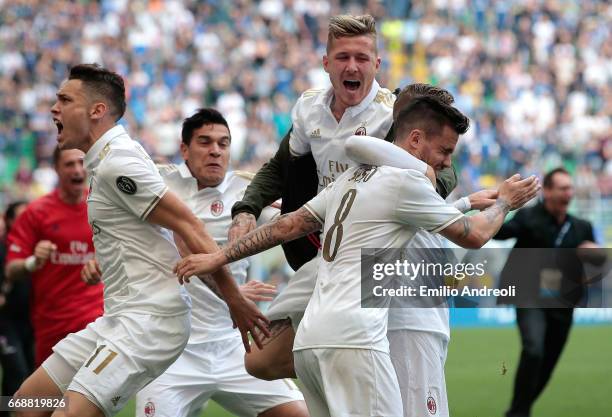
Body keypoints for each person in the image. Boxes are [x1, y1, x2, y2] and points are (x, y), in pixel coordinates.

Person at [175, 96, 540, 417]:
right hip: (355, 339)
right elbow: (475, 235)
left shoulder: (351, 178)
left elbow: (287, 226)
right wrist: (506, 201)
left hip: (310, 344)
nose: (446, 163)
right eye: (445, 151)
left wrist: (218, 257)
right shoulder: (405, 182)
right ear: (415, 139)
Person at [14, 63, 268, 417]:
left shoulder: (119, 161)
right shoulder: (105, 160)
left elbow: (189, 225)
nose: (54, 108)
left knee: (67, 414)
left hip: (149, 324)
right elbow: (169, 237)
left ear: (96, 111)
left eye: (64, 99)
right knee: (26, 403)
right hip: (118, 318)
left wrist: (234, 299)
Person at [230, 14, 455, 381]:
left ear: (377, 64)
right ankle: (338, 370)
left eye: (362, 58)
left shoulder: (394, 111)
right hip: (330, 253)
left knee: (384, 368)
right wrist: (246, 208)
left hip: (380, 253)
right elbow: (280, 166)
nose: (353, 66)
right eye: (343, 57)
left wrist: (427, 183)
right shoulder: (309, 109)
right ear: (326, 63)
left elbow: (446, 168)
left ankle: (349, 373)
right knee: (260, 359)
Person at [131, 108, 307, 417]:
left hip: (233, 343)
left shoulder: (248, 190)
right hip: (172, 350)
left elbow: (301, 217)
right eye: (205, 142)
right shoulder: (159, 183)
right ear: (184, 148)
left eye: (223, 143)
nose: (215, 151)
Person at [494, 167, 600, 417]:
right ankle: (519, 414)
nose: (569, 193)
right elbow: (499, 232)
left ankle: (518, 412)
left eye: (571, 188)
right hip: (528, 296)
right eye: (563, 188)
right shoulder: (529, 217)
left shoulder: (581, 227)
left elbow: (595, 265)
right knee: (534, 350)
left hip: (563, 303)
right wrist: (498, 204)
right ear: (548, 191)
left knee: (547, 364)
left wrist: (595, 255)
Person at [5, 147, 103, 367]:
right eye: (69, 164)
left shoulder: (103, 208)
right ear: (57, 169)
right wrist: (33, 262)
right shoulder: (36, 213)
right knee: (42, 401)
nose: (77, 169)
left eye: (81, 162)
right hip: (51, 323)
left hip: (95, 318)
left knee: (90, 398)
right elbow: (11, 269)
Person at [0, 201, 34, 417]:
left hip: (32, 321)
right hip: (5, 322)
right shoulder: (2, 248)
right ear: (10, 221)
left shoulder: (37, 246)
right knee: (17, 371)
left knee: (30, 376)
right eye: (22, 216)